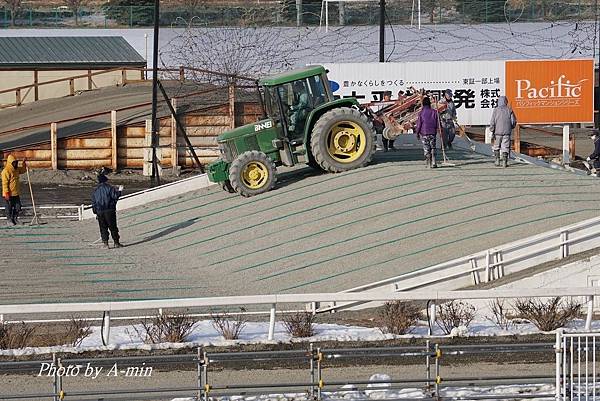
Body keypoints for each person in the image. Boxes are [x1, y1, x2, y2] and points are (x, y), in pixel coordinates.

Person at [91, 173, 123, 249]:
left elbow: (94, 203)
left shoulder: (95, 191)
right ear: (105, 181)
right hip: (109, 210)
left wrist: (95, 212)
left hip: (100, 212)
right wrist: (120, 191)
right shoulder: (110, 188)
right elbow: (115, 196)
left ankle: (106, 244)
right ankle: (116, 243)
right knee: (113, 227)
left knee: (103, 228)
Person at [489, 96, 517, 168]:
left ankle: (497, 161)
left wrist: (492, 129)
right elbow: (513, 121)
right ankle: (505, 162)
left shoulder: (496, 110)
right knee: (505, 147)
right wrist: (512, 127)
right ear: (506, 102)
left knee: (496, 146)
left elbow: (492, 121)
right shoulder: (509, 110)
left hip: (497, 132)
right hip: (506, 132)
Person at [2, 154, 27, 226]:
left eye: (16, 162)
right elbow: (4, 183)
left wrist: (23, 163)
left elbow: (23, 170)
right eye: (14, 163)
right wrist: (6, 193)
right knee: (9, 207)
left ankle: (15, 218)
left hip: (16, 193)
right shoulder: (6, 171)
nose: (15, 164)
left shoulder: (16, 169)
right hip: (8, 193)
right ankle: (9, 220)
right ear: (10, 163)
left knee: (18, 206)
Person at [415, 97, 440, 168]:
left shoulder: (421, 113)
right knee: (433, 147)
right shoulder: (435, 112)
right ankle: (434, 162)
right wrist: (440, 130)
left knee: (426, 148)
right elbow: (438, 122)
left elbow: (419, 124)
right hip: (433, 132)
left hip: (424, 133)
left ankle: (428, 162)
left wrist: (417, 133)